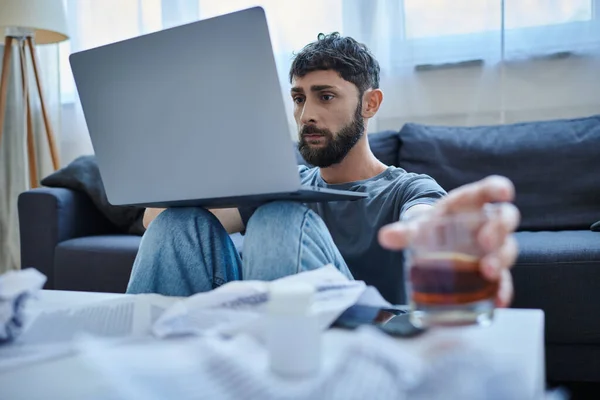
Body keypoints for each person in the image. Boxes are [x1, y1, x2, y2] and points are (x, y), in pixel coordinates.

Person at [126, 33, 519, 305]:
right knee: (176, 225)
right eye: (298, 98)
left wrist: (450, 236)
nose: (306, 115)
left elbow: (427, 220)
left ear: (370, 104)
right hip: (259, 330)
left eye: (325, 96)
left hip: (366, 335)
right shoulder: (282, 182)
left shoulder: (408, 189)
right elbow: (154, 220)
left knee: (278, 216)